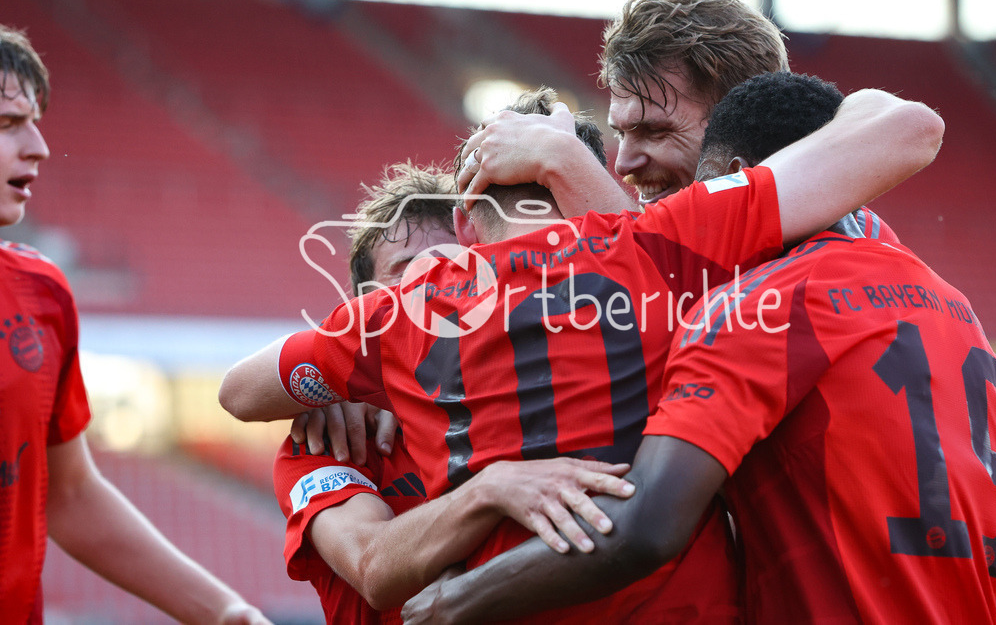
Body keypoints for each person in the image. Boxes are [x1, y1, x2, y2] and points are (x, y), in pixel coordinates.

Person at [222, 81, 943, 622]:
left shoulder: (394, 315)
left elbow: (241, 391)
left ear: (469, 219)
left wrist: (341, 378)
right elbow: (909, 128)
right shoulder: (661, 247)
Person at [400, 73, 996, 624]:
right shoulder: (953, 308)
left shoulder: (757, 307)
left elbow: (644, 528)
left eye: (701, 189)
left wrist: (457, 600)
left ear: (734, 180)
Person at [273, 161, 635, 623]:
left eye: (456, 266)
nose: (435, 288)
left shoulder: (540, 398)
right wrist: (489, 488)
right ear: (361, 308)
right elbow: (371, 566)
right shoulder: (329, 443)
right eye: (407, 273)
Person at [0, 26, 270, 623]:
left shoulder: (41, 294)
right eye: (6, 125)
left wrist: (223, 611)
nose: (39, 146)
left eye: (34, 121)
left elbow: (68, 493)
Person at [457, 0, 788, 211]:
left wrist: (561, 157)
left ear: (749, 126)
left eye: (656, 132)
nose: (622, 165)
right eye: (620, 133)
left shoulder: (814, 276)